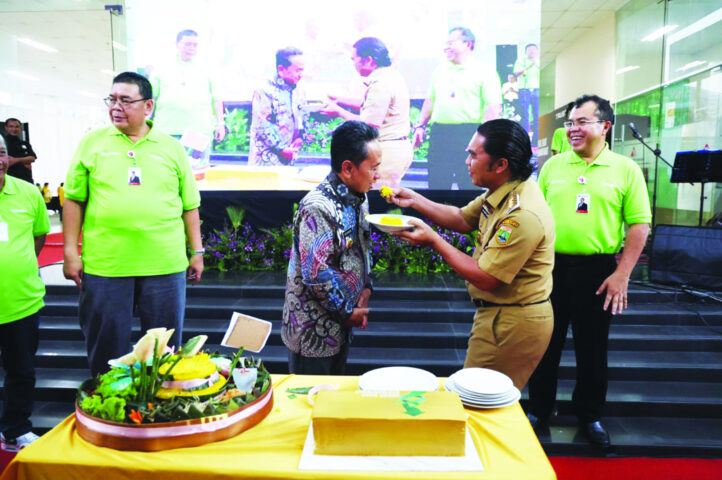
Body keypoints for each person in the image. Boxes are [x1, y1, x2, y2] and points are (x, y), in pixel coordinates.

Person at [387, 119, 555, 389]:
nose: (466, 161)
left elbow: (486, 277)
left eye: (474, 154)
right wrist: (415, 200)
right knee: (479, 402)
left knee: (480, 406)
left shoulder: (521, 215)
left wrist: (433, 240)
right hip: (500, 315)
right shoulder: (505, 191)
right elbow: (462, 218)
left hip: (512, 322)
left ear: (501, 165)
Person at [527, 94, 652, 449]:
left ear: (605, 126)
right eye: (569, 123)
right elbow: (536, 218)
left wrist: (622, 274)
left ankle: (590, 415)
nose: (572, 129)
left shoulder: (625, 169)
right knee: (544, 343)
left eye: (581, 122)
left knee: (593, 348)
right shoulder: (552, 167)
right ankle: (539, 409)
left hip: (599, 270)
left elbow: (640, 225)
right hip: (551, 268)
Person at [63, 72, 204, 377]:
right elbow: (74, 200)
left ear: (148, 106)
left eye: (125, 100)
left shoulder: (171, 147)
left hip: (164, 265)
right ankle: (109, 417)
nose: (116, 106)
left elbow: (189, 205)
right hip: (106, 266)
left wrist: (197, 251)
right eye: (111, 99)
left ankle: (159, 418)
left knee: (164, 353)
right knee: (106, 350)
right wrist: (71, 253)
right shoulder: (92, 143)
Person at [281, 120, 378, 375]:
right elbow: (317, 276)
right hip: (313, 330)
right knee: (309, 401)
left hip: (341, 324)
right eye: (373, 168)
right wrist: (348, 312)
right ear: (348, 168)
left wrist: (366, 287)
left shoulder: (359, 196)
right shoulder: (318, 206)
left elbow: (362, 246)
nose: (377, 176)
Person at [0, 135, 49, 452]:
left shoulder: (28, 193)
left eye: (1, 152)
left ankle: (15, 430)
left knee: (21, 371)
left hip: (21, 302)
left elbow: (39, 238)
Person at [321, 37, 412, 188]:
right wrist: (339, 99)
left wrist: (338, 111)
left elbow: (368, 125)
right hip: (395, 149)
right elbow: (368, 104)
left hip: (387, 152)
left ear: (369, 60)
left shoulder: (381, 83)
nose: (353, 65)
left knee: (377, 201)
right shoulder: (390, 75)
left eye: (354, 59)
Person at [411, 27, 502, 148]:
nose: (446, 48)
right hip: (440, 132)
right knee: (437, 167)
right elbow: (430, 101)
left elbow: (492, 108)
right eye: (446, 44)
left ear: (467, 44)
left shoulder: (485, 71)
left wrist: (482, 136)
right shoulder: (439, 70)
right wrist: (420, 126)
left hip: (469, 133)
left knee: (466, 167)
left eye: (450, 43)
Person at [150, 30, 225, 173]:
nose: (191, 48)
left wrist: (220, 124)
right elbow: (150, 97)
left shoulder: (207, 67)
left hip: (198, 131)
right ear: (177, 44)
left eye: (195, 45)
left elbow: (217, 98)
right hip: (167, 131)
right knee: (165, 173)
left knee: (196, 174)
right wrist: (143, 123)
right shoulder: (161, 67)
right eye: (187, 44)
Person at [248, 47, 309, 166]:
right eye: (297, 70)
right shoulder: (264, 90)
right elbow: (262, 124)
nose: (301, 75)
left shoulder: (300, 90)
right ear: (281, 69)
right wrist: (281, 149)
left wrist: (300, 138)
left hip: (289, 156)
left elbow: (304, 115)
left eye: (302, 70)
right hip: (265, 159)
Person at [513, 43, 540, 145]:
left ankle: (536, 139)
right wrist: (529, 66)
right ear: (525, 52)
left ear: (537, 51)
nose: (532, 52)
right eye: (529, 50)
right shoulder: (521, 61)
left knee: (537, 114)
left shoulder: (539, 62)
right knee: (524, 114)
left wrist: (536, 64)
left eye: (534, 50)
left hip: (537, 89)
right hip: (524, 89)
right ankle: (524, 139)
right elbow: (516, 73)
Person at [3, 118, 37, 185]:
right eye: (11, 126)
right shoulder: (2, 143)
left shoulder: (25, 143)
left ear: (20, 128)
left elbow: (32, 158)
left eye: (17, 127)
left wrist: (16, 160)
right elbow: (7, 161)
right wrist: (24, 160)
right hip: (9, 179)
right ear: (6, 128)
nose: (14, 129)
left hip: (26, 179)